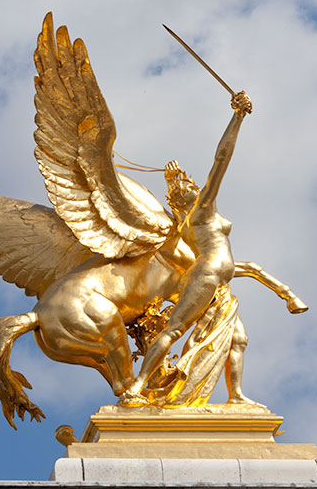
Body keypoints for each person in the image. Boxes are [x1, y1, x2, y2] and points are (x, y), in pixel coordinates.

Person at [120, 90, 253, 405]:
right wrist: (237, 117)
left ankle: (236, 396)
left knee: (238, 339)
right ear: (183, 199)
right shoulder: (201, 212)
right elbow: (221, 160)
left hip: (221, 284)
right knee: (175, 329)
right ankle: (137, 385)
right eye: (190, 187)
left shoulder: (187, 222)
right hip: (206, 275)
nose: (198, 187)